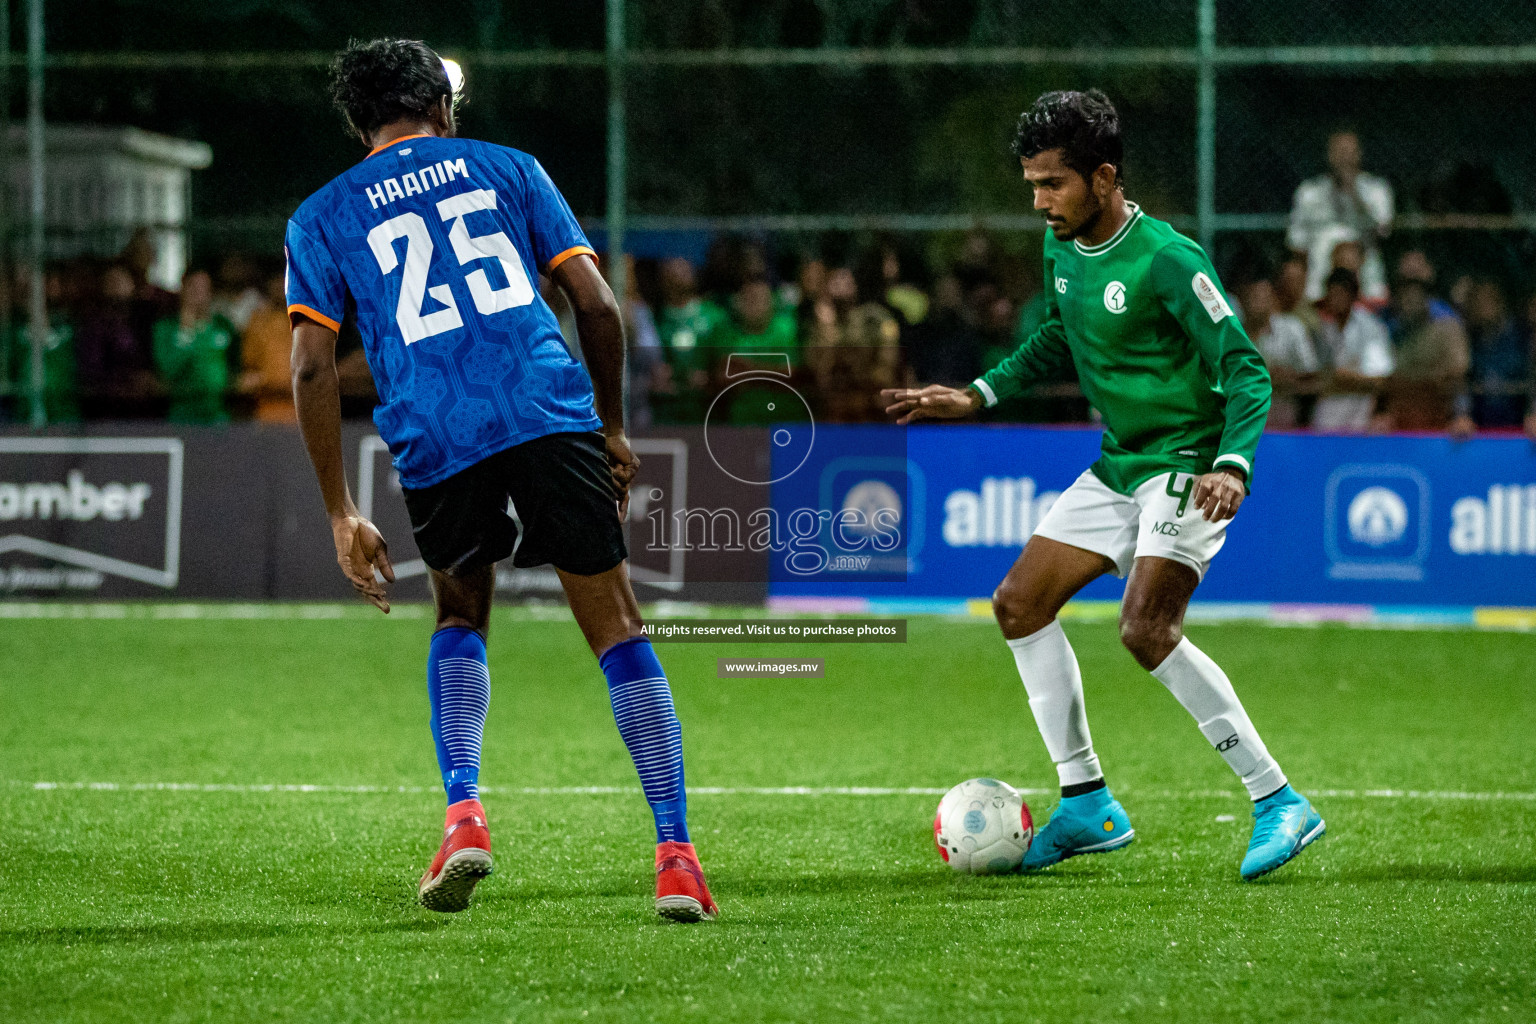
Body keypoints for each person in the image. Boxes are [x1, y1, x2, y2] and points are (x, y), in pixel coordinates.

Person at [285, 38, 717, 920]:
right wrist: (613, 425)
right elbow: (595, 303)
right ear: (441, 107)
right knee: (617, 624)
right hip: (545, 407)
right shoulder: (510, 167)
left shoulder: (321, 216)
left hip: (437, 430)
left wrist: (338, 510)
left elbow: (310, 370)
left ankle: (465, 814)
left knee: (459, 613)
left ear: (360, 121)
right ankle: (676, 858)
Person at [884, 90, 1322, 882]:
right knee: (1019, 603)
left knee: (1146, 628)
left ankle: (1277, 800)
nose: (1040, 202)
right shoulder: (1062, 247)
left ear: (1104, 177)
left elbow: (1246, 370)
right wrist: (976, 393)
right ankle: (1088, 802)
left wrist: (1233, 464)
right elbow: (1058, 334)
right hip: (1121, 462)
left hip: (1186, 460)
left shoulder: (1168, 259)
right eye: (1032, 186)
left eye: (1053, 184)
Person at [1288, 129, 1393, 303]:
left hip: (1367, 284)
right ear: (1329, 155)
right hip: (1319, 288)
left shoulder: (1377, 190)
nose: (1344, 158)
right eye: (1339, 152)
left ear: (1359, 154)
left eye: (1349, 152)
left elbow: (1383, 233)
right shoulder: (1309, 192)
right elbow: (1297, 245)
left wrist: (1353, 192)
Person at [1311, 267, 1394, 432]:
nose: (1335, 300)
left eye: (1340, 294)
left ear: (1352, 296)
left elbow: (1380, 379)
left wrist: (1342, 378)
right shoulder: (1323, 330)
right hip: (1325, 420)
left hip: (1360, 419)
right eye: (1332, 294)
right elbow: (1318, 379)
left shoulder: (1371, 327)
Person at [152, 268, 236, 425]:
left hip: (218, 415)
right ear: (182, 290)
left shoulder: (223, 326)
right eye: (193, 287)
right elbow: (167, 370)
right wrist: (186, 331)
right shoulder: (165, 328)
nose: (198, 293)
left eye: (203, 288)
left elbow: (236, 367)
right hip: (182, 414)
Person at [1237, 277, 1317, 429]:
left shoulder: (1292, 329)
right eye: (1253, 297)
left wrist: (1288, 376)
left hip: (1286, 419)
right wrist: (1266, 377)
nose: (1257, 303)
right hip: (1243, 421)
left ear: (1273, 299)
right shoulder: (1233, 335)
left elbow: (1312, 375)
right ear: (1242, 301)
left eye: (1263, 297)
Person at [238, 270, 299, 423]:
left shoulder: (305, 321)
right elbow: (249, 371)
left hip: (299, 412)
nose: (280, 286)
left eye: (284, 279)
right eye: (276, 281)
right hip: (265, 412)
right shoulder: (257, 322)